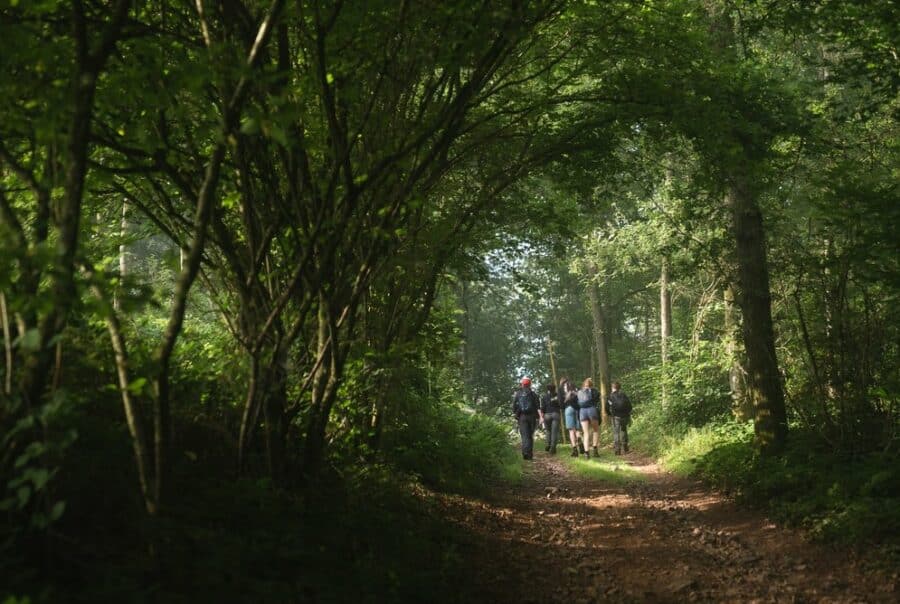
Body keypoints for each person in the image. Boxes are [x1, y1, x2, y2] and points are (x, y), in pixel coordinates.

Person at [512, 377, 540, 460]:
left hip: (522, 417)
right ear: (530, 384)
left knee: (524, 435)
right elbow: (538, 406)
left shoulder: (518, 394)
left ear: (522, 385)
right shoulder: (533, 394)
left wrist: (516, 413)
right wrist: (538, 417)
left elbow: (514, 406)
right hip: (532, 417)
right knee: (530, 435)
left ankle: (525, 452)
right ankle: (529, 454)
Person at [606, 381, 633, 455]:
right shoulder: (624, 395)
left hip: (615, 416)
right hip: (624, 416)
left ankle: (617, 450)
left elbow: (607, 407)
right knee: (624, 430)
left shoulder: (610, 396)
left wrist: (609, 414)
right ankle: (626, 448)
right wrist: (627, 413)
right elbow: (630, 406)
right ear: (619, 388)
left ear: (612, 388)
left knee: (616, 432)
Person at [577, 377, 601, 459]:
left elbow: (577, 402)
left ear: (584, 384)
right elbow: (597, 399)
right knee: (595, 430)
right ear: (591, 385)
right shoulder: (594, 391)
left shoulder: (579, 392)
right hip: (592, 410)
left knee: (585, 433)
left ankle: (586, 453)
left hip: (582, 411)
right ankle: (595, 450)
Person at [560, 377, 583, 457]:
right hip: (577, 409)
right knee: (577, 429)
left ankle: (574, 450)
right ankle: (579, 439)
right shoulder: (576, 389)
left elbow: (561, 403)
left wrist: (564, 405)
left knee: (571, 430)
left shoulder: (562, 390)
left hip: (569, 409)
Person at [540, 383, 561, 454]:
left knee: (548, 431)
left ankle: (548, 444)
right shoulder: (558, 395)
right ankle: (553, 448)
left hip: (547, 415)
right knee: (554, 432)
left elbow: (542, 408)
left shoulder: (544, 396)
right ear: (555, 388)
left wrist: (542, 416)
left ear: (548, 389)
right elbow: (561, 405)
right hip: (556, 414)